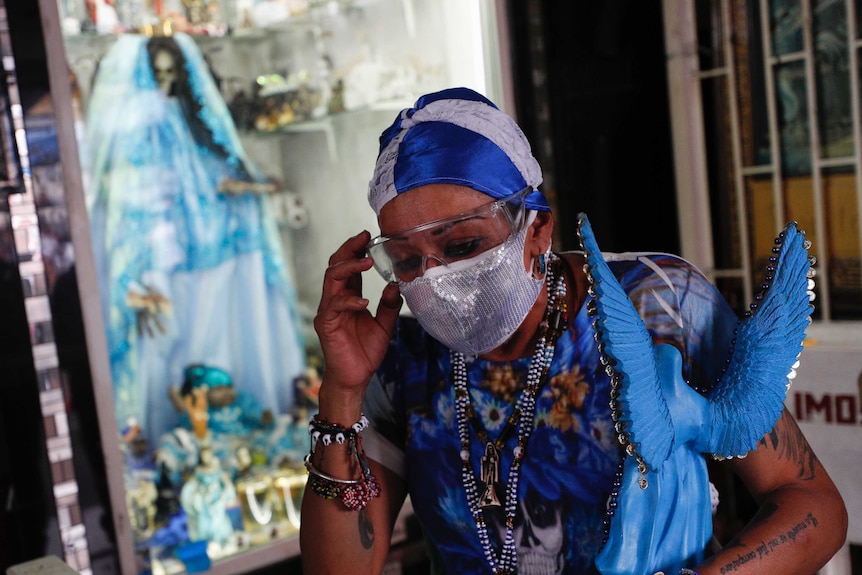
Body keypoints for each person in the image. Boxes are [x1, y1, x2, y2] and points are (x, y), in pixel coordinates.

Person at [300, 87, 848, 575]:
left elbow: (811, 504)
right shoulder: (404, 356)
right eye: (406, 260)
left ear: (537, 227)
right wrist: (343, 390)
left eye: (462, 245)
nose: (437, 278)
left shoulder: (657, 302)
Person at [84, 33, 305, 445]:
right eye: (158, 75)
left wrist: (251, 189)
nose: (165, 84)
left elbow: (221, 176)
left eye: (171, 74)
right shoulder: (139, 135)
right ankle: (165, 433)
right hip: (164, 254)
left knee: (212, 321)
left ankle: (232, 423)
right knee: (165, 334)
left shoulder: (193, 130)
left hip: (209, 245)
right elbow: (128, 201)